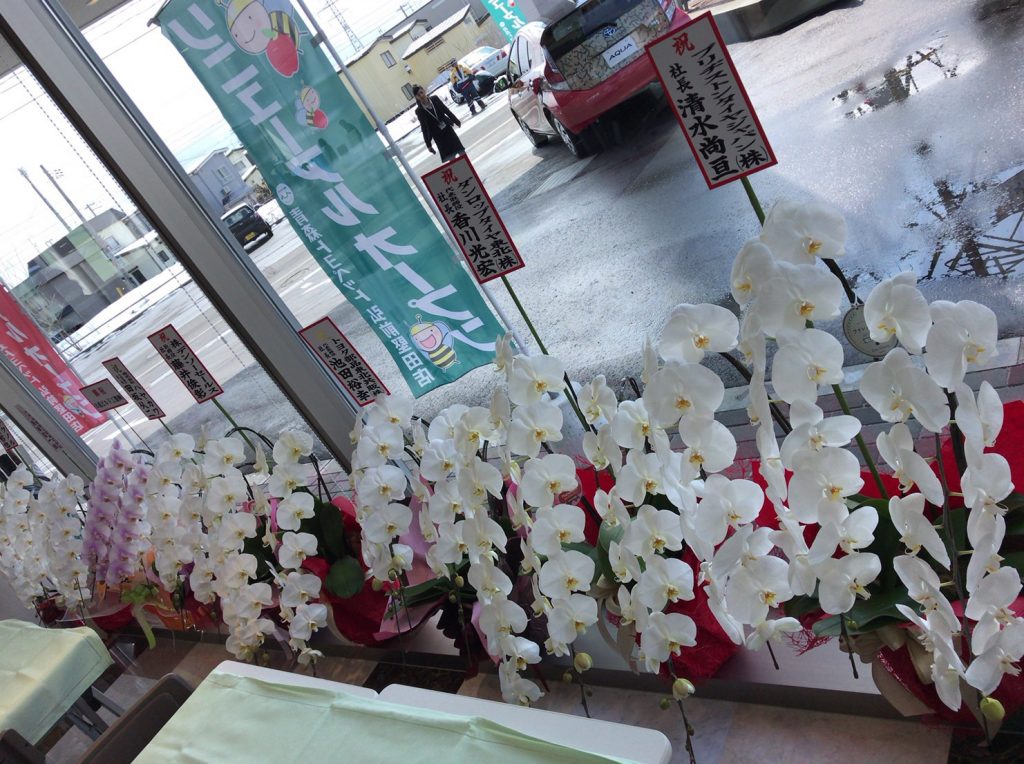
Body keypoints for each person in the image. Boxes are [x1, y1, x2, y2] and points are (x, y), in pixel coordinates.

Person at [413, 85, 465, 162]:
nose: (421, 95)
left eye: (421, 92)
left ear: (424, 91)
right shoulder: (419, 111)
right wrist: (428, 145)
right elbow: (424, 128)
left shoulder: (435, 99)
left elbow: (446, 110)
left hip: (448, 129)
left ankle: (468, 167)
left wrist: (456, 121)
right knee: (451, 158)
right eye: (418, 95)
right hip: (438, 136)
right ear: (416, 97)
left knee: (460, 150)